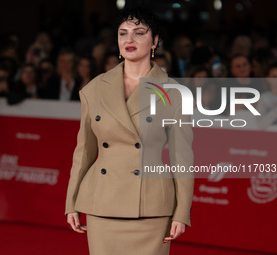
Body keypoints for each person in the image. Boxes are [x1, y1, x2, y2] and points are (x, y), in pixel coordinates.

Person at [65, 8, 194, 255]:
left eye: (139, 33)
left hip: (150, 207)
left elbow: (182, 158)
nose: (129, 40)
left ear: (155, 40)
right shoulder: (94, 89)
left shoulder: (174, 92)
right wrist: (71, 202)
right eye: (123, 33)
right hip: (102, 203)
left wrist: (182, 211)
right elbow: (83, 151)